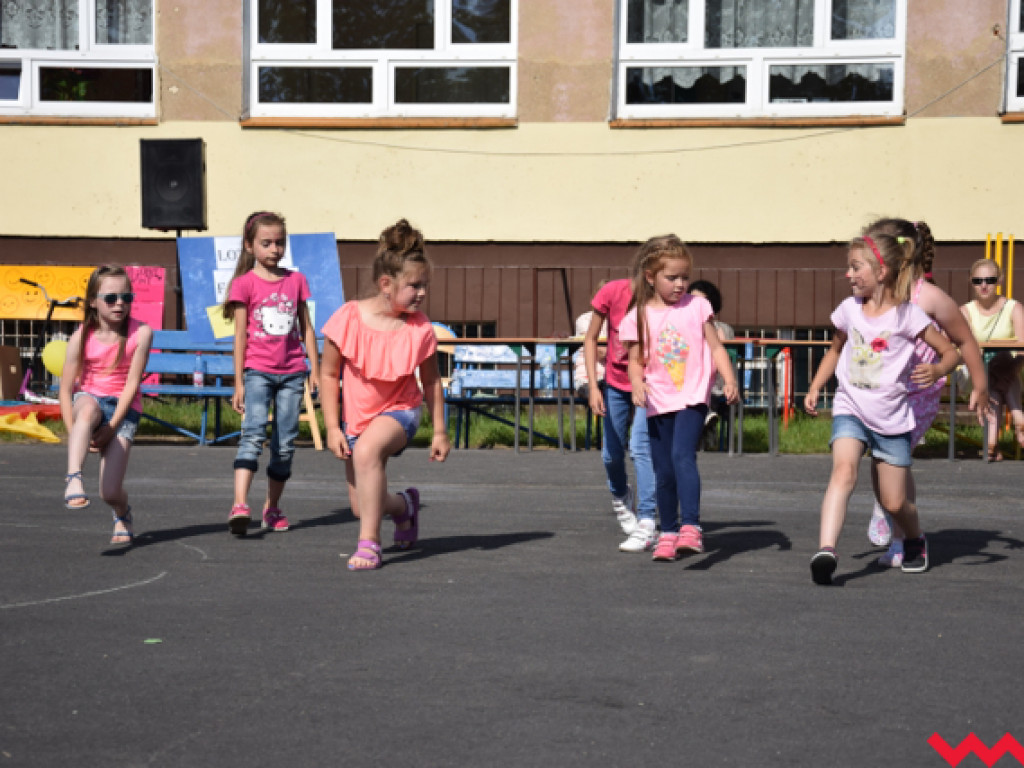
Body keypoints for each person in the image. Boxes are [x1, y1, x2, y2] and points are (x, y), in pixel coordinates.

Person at [804, 223, 959, 585]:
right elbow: (835, 351)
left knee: (893, 503)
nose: (848, 274)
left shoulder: (909, 315)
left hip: (891, 417)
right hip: (851, 405)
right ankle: (826, 550)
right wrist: (815, 387)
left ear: (882, 271)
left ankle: (915, 539)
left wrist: (937, 368)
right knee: (843, 471)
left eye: (856, 266)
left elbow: (950, 351)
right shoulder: (849, 309)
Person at [320, 219, 451, 571]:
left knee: (367, 450)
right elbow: (329, 374)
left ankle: (369, 544)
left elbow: (433, 382)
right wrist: (333, 427)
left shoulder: (419, 328)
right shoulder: (348, 318)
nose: (422, 293)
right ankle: (404, 507)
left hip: (400, 410)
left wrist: (439, 431)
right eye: (414, 286)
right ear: (386, 284)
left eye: (425, 285)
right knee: (363, 506)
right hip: (356, 418)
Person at [863, 220, 990, 567]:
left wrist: (979, 385)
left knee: (893, 465)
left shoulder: (928, 297)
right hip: (881, 393)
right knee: (886, 465)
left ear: (894, 256)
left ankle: (901, 537)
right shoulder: (871, 295)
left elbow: (965, 340)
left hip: (917, 395)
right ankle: (894, 518)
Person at [619, 236, 739, 562]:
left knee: (682, 455)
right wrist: (636, 384)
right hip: (658, 399)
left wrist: (728, 379)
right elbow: (634, 360)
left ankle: (691, 527)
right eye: (671, 278)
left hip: (692, 397)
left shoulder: (697, 306)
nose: (679, 284)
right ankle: (668, 531)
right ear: (650, 277)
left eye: (684, 277)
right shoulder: (639, 316)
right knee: (663, 468)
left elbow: (716, 348)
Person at [222, 211, 320, 536]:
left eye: (280, 242)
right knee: (252, 434)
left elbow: (306, 328)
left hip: (293, 373)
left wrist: (314, 369)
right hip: (258, 372)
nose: (274, 249)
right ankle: (239, 504)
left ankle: (272, 508)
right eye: (266, 243)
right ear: (250, 246)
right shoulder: (244, 284)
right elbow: (240, 336)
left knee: (285, 444)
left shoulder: (296, 281)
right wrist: (238, 382)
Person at [59, 265, 153, 545]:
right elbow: (65, 390)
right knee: (87, 408)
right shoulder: (81, 336)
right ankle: (73, 477)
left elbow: (132, 384)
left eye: (126, 297)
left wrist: (112, 427)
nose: (120, 304)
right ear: (92, 301)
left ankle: (122, 513)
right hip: (89, 400)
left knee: (109, 492)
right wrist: (76, 431)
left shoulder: (142, 333)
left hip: (123, 410)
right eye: (111, 298)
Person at [584, 266, 657, 553]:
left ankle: (647, 519)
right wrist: (593, 387)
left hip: (649, 383)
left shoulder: (664, 300)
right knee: (611, 453)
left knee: (641, 447)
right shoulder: (613, 292)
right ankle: (619, 494)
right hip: (615, 381)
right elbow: (590, 338)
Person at [960, 257, 1024, 461]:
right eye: (978, 281)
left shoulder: (1014, 308)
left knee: (1003, 365)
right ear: (971, 282)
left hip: (1008, 368)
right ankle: (1018, 416)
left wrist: (1010, 368)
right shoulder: (965, 311)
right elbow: (966, 350)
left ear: (1000, 280)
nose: (984, 285)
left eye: (989, 280)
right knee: (995, 373)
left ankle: (991, 444)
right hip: (974, 372)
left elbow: (1023, 348)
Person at [687, 279, 735, 449]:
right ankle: (707, 420)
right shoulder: (682, 325)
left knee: (710, 392)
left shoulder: (722, 328)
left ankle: (708, 418)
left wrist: (721, 341)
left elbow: (726, 354)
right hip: (689, 383)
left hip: (715, 382)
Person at [573, 281, 607, 401]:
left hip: (614, 380)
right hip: (587, 379)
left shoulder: (623, 320)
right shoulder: (585, 320)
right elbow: (600, 352)